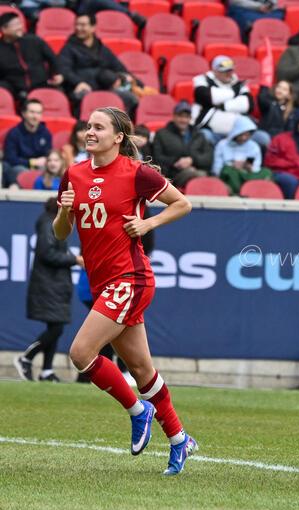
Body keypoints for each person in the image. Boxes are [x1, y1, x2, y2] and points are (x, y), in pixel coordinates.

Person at [52, 106, 196, 475]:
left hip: (130, 278)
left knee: (81, 352)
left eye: (98, 127)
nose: (90, 132)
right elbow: (60, 233)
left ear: (118, 137)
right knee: (142, 369)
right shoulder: (74, 173)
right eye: (88, 126)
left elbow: (183, 203)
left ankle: (138, 410)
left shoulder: (137, 173)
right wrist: (65, 212)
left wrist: (148, 223)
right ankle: (180, 440)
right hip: (104, 281)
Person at [14, 197, 84, 383]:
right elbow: (48, 253)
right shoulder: (48, 223)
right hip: (48, 284)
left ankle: (46, 371)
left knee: (55, 326)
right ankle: (26, 358)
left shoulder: (50, 222)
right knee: (57, 328)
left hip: (55, 285)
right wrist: (75, 260)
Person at [57, 14, 138, 112]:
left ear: (93, 27)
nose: (78, 28)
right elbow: (64, 70)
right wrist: (78, 82)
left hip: (105, 88)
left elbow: (118, 66)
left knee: (131, 98)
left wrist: (136, 83)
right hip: (82, 89)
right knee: (83, 97)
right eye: (77, 25)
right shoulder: (68, 48)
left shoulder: (101, 48)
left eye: (82, 25)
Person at [193, 56, 261, 145]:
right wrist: (234, 93)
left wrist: (222, 105)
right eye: (225, 71)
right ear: (215, 71)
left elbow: (248, 105)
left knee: (263, 138)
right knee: (204, 136)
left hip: (239, 133)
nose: (229, 74)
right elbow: (206, 96)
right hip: (212, 132)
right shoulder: (203, 80)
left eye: (230, 70)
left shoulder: (238, 83)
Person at [0, 12, 62, 102]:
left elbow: (52, 58)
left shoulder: (34, 40)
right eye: (15, 25)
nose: (19, 27)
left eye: (19, 23)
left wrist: (57, 73)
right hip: (13, 87)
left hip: (40, 83)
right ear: (4, 29)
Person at [152, 101, 213, 189]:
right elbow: (157, 158)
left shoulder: (199, 135)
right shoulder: (161, 134)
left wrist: (192, 160)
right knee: (198, 174)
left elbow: (208, 158)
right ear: (174, 116)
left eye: (187, 117)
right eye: (180, 116)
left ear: (190, 118)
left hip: (198, 170)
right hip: (172, 175)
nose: (183, 120)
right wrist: (176, 162)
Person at [212, 116, 270, 195]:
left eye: (247, 135)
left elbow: (257, 167)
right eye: (241, 135)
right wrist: (233, 165)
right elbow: (217, 168)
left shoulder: (254, 146)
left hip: (248, 175)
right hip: (231, 175)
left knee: (267, 172)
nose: (244, 138)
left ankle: (251, 192)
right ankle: (237, 194)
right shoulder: (222, 145)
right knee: (229, 171)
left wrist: (249, 167)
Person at [3, 99, 52, 188]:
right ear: (24, 113)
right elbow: (10, 158)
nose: (35, 116)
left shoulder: (45, 133)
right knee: (16, 170)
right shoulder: (14, 133)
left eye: (38, 113)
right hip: (19, 167)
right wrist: (32, 162)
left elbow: (48, 154)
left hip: (40, 168)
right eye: (32, 112)